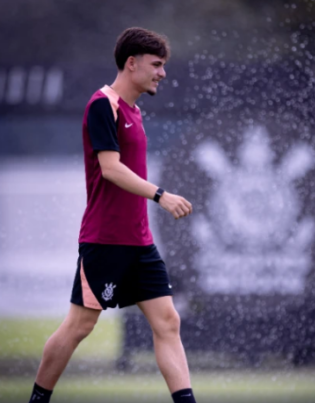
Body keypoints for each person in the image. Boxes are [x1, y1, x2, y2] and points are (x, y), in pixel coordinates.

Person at [28, 27, 196, 402]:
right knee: (79, 326)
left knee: (168, 322)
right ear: (131, 63)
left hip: (139, 243)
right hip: (106, 240)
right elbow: (111, 169)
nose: (162, 74)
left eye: (163, 66)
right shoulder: (102, 104)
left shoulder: (134, 111)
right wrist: (161, 195)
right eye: (156, 65)